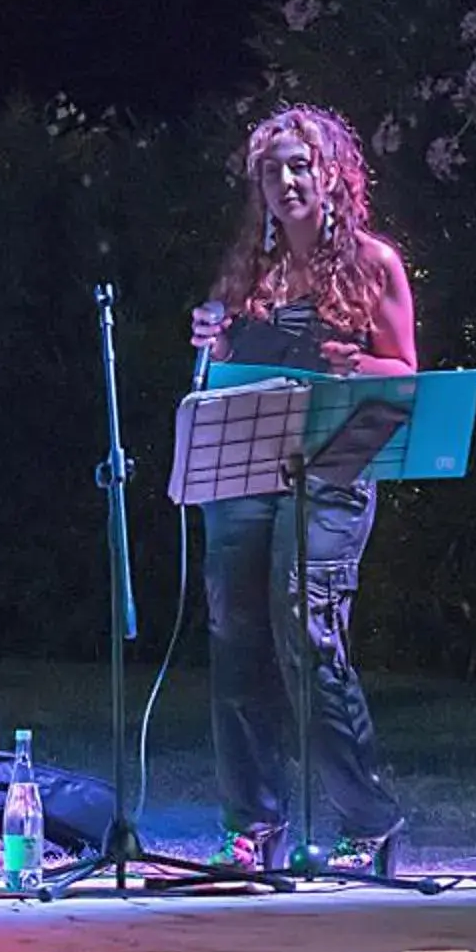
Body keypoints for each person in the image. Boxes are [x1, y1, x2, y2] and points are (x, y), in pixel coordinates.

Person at [186, 104, 416, 875]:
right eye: (270, 168)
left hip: (336, 466)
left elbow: (404, 375)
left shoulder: (373, 263)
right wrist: (213, 343)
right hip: (248, 465)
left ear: (331, 174)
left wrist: (358, 368)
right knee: (234, 635)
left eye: (299, 165)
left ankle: (368, 819)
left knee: (304, 625)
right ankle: (252, 825)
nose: (285, 180)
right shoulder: (248, 269)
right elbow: (228, 376)